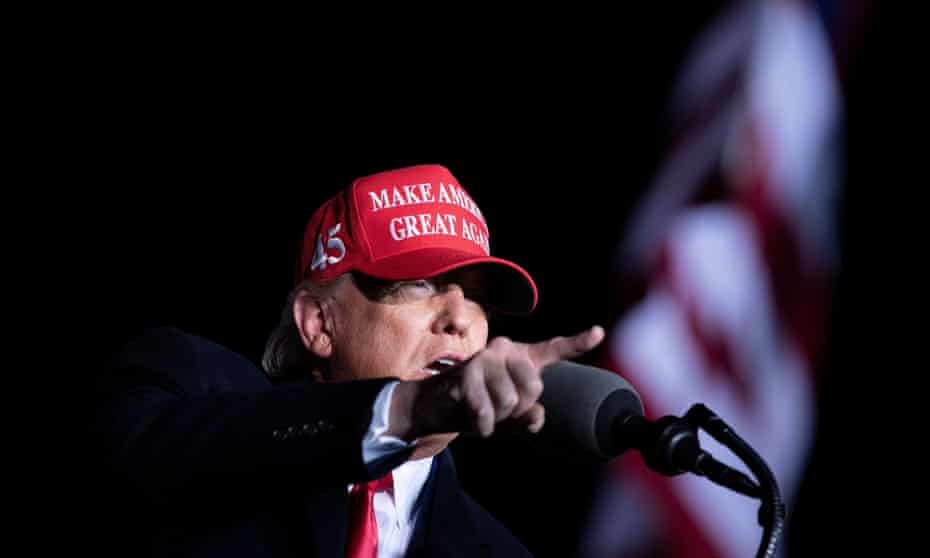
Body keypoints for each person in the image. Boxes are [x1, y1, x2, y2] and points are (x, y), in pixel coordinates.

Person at [91, 163, 605, 557]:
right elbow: (139, 466)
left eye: (478, 298)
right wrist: (406, 410)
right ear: (318, 323)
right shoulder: (188, 383)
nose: (460, 319)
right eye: (419, 285)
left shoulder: (500, 551)